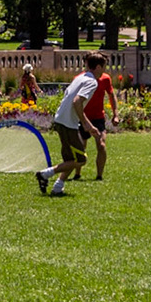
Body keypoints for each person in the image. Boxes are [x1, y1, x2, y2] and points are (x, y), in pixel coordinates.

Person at [38, 53, 103, 197]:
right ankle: (45, 174)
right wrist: (87, 124)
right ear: (98, 67)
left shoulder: (80, 77)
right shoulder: (92, 82)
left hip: (60, 119)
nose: (103, 71)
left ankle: (57, 188)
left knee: (69, 160)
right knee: (80, 160)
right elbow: (77, 101)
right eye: (103, 68)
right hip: (68, 123)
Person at [75, 60, 116, 182]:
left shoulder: (105, 79)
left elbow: (111, 95)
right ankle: (77, 173)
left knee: (101, 145)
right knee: (81, 146)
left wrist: (116, 114)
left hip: (98, 118)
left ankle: (99, 176)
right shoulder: (80, 78)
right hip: (83, 117)